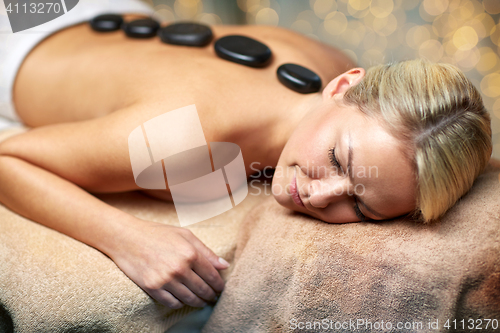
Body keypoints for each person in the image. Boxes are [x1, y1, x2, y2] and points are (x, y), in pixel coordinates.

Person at [0, 5, 492, 310]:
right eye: (339, 162)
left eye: (360, 207)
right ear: (345, 86)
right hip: (16, 31)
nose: (319, 196)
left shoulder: (334, 67)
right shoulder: (182, 141)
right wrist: (128, 237)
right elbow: (9, 160)